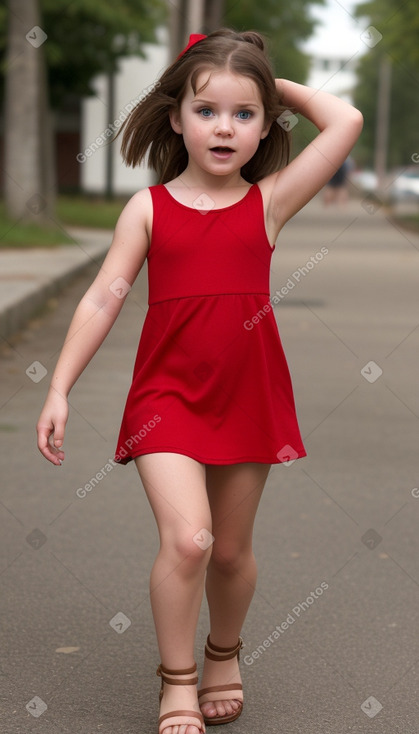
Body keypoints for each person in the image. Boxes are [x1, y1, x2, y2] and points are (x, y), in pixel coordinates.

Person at [37, 29, 363, 734]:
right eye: (206, 110)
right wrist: (59, 386)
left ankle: (224, 653)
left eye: (244, 114)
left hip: (246, 395)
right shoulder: (147, 209)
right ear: (175, 116)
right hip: (166, 401)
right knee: (190, 540)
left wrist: (261, 79)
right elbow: (102, 297)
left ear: (264, 123)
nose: (224, 127)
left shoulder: (269, 202)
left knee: (235, 552)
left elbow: (345, 122)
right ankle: (177, 679)